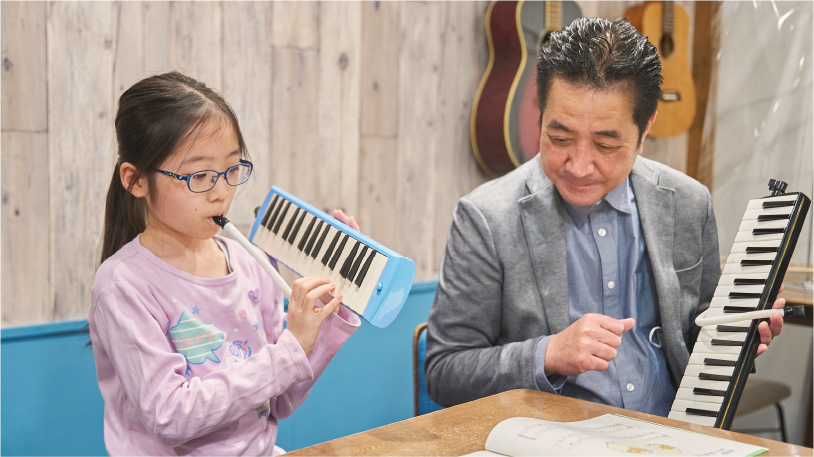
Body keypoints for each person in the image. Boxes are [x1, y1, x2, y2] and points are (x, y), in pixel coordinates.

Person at [425, 17, 785, 416]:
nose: (579, 166)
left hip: (673, 435)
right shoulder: (486, 217)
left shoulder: (687, 202)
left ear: (644, 128)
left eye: (605, 144)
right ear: (539, 112)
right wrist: (547, 354)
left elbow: (699, 337)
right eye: (559, 138)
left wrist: (740, 337)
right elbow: (445, 373)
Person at [89, 71, 361, 455]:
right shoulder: (122, 284)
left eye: (232, 170)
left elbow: (278, 401)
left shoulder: (249, 262)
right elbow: (169, 415)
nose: (221, 193)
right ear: (135, 181)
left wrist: (326, 318)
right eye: (199, 175)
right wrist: (289, 349)